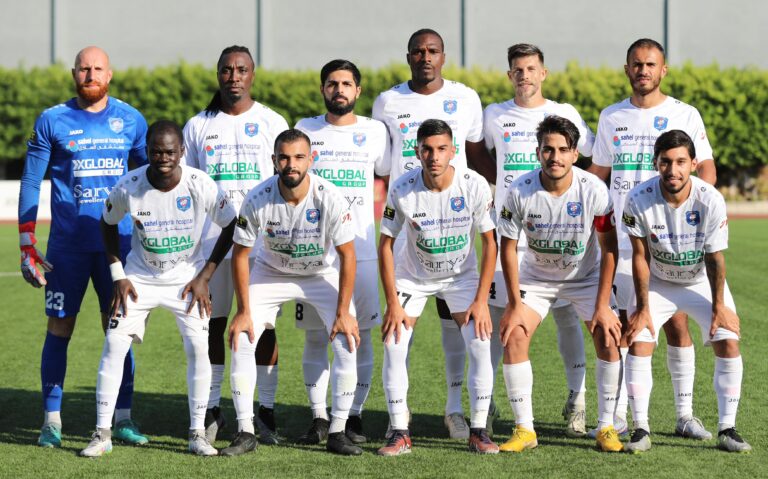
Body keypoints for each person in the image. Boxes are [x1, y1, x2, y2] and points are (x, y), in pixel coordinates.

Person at [79, 120, 237, 457]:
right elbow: (106, 223)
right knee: (114, 344)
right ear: (147, 151)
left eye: (169, 152)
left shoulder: (200, 183)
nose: (163, 158)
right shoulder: (129, 185)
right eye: (155, 152)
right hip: (139, 278)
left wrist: (205, 275)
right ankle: (102, 434)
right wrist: (118, 275)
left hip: (187, 280)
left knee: (199, 347)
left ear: (182, 151)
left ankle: (197, 434)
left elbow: (231, 224)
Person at [18, 46, 148, 448]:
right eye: (83, 69)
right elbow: (31, 180)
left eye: (97, 69)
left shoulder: (131, 120)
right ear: (74, 74)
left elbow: (149, 177)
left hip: (118, 248)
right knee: (60, 327)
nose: (90, 75)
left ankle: (122, 418)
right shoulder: (52, 120)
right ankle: (51, 421)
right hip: (68, 247)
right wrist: (26, 242)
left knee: (119, 330)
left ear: (109, 75)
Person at [588, 38, 716, 439]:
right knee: (627, 327)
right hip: (623, 243)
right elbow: (598, 174)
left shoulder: (684, 113)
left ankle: (684, 416)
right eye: (637, 64)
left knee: (677, 324)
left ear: (663, 70)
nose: (643, 70)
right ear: (627, 69)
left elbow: (706, 169)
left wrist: (696, 213)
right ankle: (619, 418)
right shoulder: (611, 116)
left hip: (670, 241)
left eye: (650, 64)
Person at [373, 27, 492, 439]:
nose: (425, 57)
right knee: (396, 335)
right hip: (411, 234)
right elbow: (382, 165)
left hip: (455, 235)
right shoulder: (387, 102)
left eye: (433, 51)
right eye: (418, 51)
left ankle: (457, 410)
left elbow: (476, 155)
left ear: (443, 56)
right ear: (408, 56)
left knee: (458, 328)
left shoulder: (466, 98)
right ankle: (398, 421)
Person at [223, 129, 361, 457]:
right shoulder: (257, 197)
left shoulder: (329, 196)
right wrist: (243, 310)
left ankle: (337, 430)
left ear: (311, 159)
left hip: (319, 273)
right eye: (284, 157)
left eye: (299, 157)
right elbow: (240, 255)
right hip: (272, 273)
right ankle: (245, 431)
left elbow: (347, 255)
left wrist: (343, 312)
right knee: (242, 337)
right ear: (274, 160)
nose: (291, 164)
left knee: (347, 340)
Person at [482, 43, 595, 438]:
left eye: (531, 69)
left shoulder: (565, 114)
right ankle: (487, 401)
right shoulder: (494, 115)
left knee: (567, 318)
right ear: (509, 75)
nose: (524, 75)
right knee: (502, 320)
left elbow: (590, 158)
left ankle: (577, 400)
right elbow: (479, 156)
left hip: (558, 236)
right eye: (517, 69)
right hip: (512, 236)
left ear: (543, 73)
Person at [496, 115, 623, 453]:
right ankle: (525, 430)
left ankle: (606, 427)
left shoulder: (594, 190)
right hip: (536, 279)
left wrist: (602, 306)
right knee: (513, 335)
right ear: (538, 152)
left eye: (563, 150)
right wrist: (514, 304)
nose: (555, 157)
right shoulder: (519, 190)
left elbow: (610, 249)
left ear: (575, 153)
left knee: (609, 335)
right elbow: (507, 248)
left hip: (585, 278)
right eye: (548, 149)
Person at [183, 45, 289, 445]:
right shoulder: (198, 125)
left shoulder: (271, 121)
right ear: (218, 74)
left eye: (241, 70)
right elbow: (190, 187)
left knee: (263, 326)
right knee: (212, 325)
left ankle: (266, 410)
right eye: (227, 70)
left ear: (252, 75)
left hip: (261, 246)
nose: (234, 77)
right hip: (212, 244)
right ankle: (212, 409)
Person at [622, 129, 751, 453]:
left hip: (699, 281)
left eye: (681, 162)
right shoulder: (638, 198)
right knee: (639, 339)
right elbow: (640, 257)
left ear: (693, 164)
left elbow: (715, 258)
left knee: (728, 339)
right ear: (656, 163)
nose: (673, 169)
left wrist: (719, 307)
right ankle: (640, 429)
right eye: (666, 162)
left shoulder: (710, 199)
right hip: (659, 281)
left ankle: (727, 429)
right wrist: (643, 308)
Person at [377, 119, 498, 456]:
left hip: (461, 278)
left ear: (453, 151)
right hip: (412, 277)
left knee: (480, 341)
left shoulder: (473, 185)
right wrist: (393, 303)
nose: (434, 156)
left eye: (441, 149)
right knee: (394, 343)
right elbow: (385, 245)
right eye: (427, 149)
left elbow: (490, 243)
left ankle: (478, 430)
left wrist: (481, 300)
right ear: (417, 152)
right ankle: (399, 431)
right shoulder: (402, 188)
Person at [291, 59, 390, 445]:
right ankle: (319, 416)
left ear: (358, 91)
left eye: (347, 84)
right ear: (323, 89)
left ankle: (353, 416)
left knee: (358, 335)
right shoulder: (305, 128)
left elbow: (386, 175)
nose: (339, 90)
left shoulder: (374, 131)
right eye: (332, 83)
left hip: (360, 250)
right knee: (316, 337)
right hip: (314, 255)